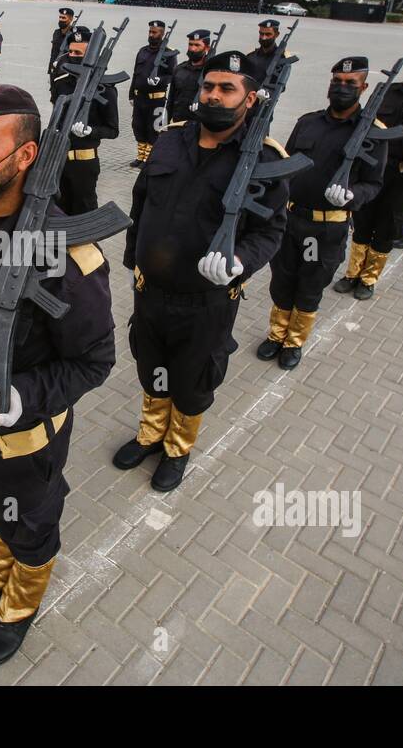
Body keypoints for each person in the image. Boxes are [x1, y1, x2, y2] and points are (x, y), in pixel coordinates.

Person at [0, 84, 115, 665]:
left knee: (32, 523)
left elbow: (95, 360)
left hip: (23, 439)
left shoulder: (66, 253)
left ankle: (20, 600)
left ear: (26, 156)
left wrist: (22, 397)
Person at [118, 51, 290, 492]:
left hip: (207, 300)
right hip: (151, 290)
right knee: (151, 365)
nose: (213, 95)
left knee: (193, 378)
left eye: (227, 88)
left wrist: (239, 263)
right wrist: (134, 257)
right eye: (209, 86)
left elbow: (271, 230)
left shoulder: (266, 159)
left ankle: (177, 447)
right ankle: (151, 432)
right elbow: (141, 202)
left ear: (250, 99)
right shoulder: (172, 139)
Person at [258, 57, 387, 369]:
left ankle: (294, 341)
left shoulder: (373, 133)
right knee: (282, 279)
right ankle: (276, 334)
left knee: (310, 283)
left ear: (364, 88)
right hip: (291, 219)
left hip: (325, 228)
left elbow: (374, 184)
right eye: (337, 82)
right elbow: (284, 165)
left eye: (350, 84)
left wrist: (352, 195)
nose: (341, 88)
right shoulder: (308, 121)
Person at [334, 40, 403, 299]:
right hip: (374, 168)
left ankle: (369, 278)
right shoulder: (387, 90)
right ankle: (352, 272)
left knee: (386, 227)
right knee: (362, 221)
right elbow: (366, 122)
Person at [49, 26, 117, 215]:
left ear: (90, 56)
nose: (72, 56)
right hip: (58, 157)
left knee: (84, 210)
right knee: (59, 210)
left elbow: (113, 130)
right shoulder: (60, 80)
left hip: (84, 163)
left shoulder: (106, 87)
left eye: (78, 53)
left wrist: (90, 131)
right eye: (70, 51)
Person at [129, 19, 176, 166]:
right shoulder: (143, 51)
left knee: (153, 128)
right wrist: (131, 94)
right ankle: (141, 156)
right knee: (138, 125)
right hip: (139, 97)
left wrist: (159, 80)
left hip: (156, 99)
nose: (151, 34)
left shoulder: (169, 54)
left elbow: (172, 75)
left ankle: (149, 158)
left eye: (154, 32)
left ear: (162, 34)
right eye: (150, 31)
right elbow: (136, 73)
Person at [164, 29, 210, 129]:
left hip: (199, 127)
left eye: (197, 45)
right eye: (190, 44)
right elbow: (171, 101)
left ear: (207, 48)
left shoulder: (211, 73)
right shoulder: (179, 69)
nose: (192, 49)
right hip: (177, 124)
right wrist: (166, 124)